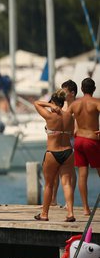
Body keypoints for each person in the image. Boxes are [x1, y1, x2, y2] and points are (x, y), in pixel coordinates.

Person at [33, 89, 76, 222]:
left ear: (53, 102)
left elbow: (36, 103)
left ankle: (44, 214)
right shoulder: (69, 116)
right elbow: (72, 132)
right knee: (67, 183)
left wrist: (50, 106)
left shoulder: (50, 116)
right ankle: (70, 213)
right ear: (63, 103)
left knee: (49, 185)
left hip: (53, 152)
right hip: (68, 152)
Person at [69, 77, 100, 216]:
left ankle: (86, 209)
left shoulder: (75, 104)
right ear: (94, 89)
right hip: (92, 140)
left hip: (79, 141)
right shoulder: (96, 102)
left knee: (82, 175)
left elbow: (65, 117)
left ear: (81, 89)